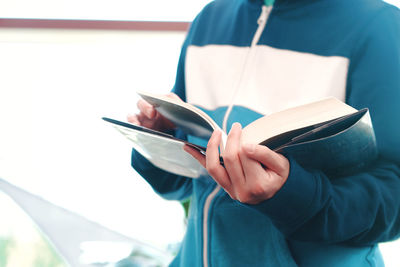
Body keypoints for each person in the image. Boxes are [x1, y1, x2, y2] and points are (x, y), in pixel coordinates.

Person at [128, 0, 400, 266]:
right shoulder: (211, 18)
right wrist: (159, 137)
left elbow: (394, 202)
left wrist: (292, 196)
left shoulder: (379, 25)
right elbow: (181, 183)